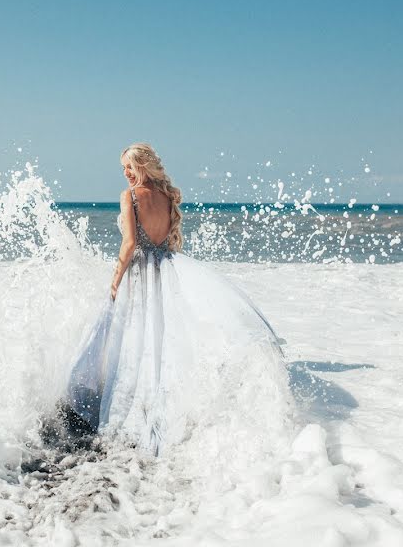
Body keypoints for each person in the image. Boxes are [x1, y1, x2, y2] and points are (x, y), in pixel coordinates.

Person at [63, 143, 291, 457]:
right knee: (160, 342)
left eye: (129, 167)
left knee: (135, 343)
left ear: (143, 166)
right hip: (166, 271)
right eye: (123, 169)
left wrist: (115, 279)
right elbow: (169, 241)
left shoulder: (129, 197)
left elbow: (130, 244)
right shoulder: (168, 196)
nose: (126, 174)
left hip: (140, 274)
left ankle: (125, 408)